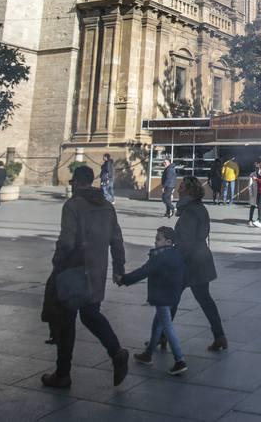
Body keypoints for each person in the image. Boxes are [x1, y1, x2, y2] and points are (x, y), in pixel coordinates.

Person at [41, 165, 129, 389]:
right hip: (97, 271)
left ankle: (63, 374)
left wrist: (57, 263)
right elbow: (117, 240)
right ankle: (116, 352)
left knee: (66, 322)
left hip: (73, 270)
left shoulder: (73, 206)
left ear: (77, 182)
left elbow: (67, 241)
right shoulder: (107, 207)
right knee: (91, 315)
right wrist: (119, 267)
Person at [120, 226, 188, 376]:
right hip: (173, 296)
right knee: (157, 325)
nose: (155, 241)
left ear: (168, 242)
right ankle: (148, 354)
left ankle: (180, 360)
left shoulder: (160, 258)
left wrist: (124, 279)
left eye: (158, 239)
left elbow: (143, 272)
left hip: (163, 297)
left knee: (167, 327)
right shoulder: (176, 254)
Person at [171, 176, 227, 351]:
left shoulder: (189, 211)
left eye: (181, 187)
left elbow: (186, 242)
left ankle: (160, 336)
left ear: (189, 191)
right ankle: (220, 336)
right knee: (205, 300)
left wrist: (173, 259)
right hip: (201, 259)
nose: (178, 190)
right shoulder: (200, 208)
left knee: (170, 300)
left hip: (190, 262)